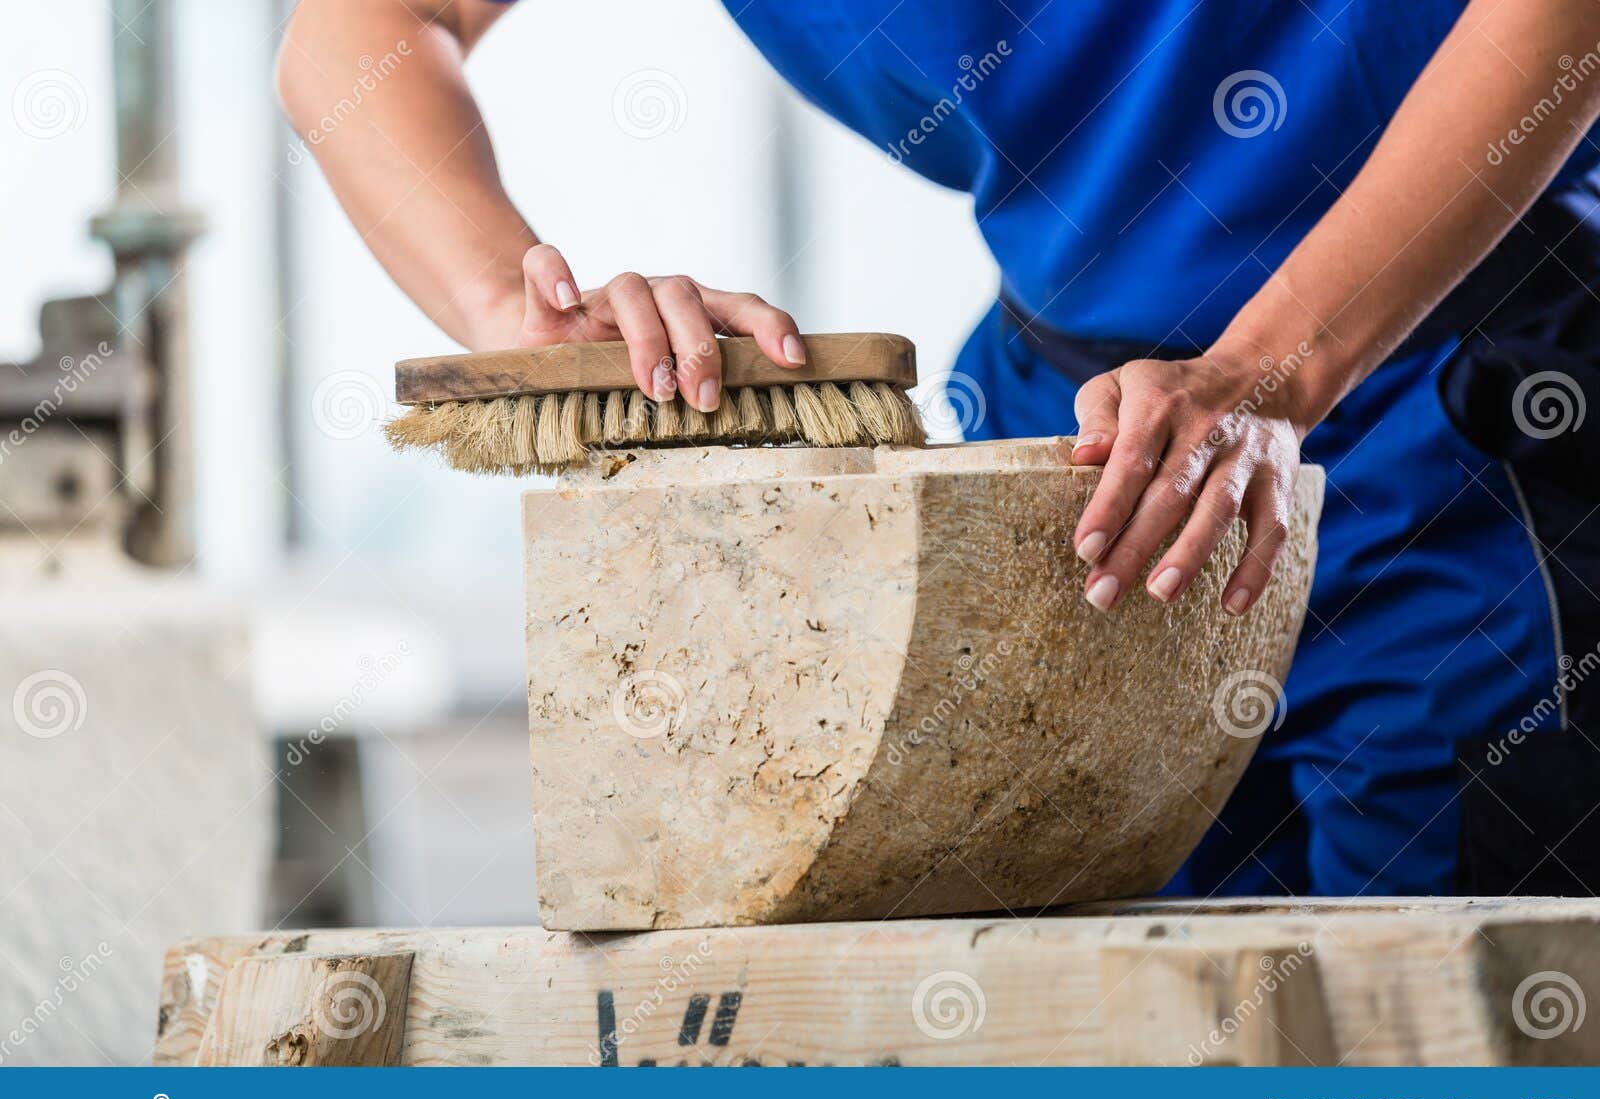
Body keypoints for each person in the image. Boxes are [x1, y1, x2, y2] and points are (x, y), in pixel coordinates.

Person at [277, 0, 1600, 898]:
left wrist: (1281, 365)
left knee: (1461, 1036)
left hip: (1463, 413)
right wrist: (518, 305)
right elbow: (359, 35)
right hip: (1073, 442)